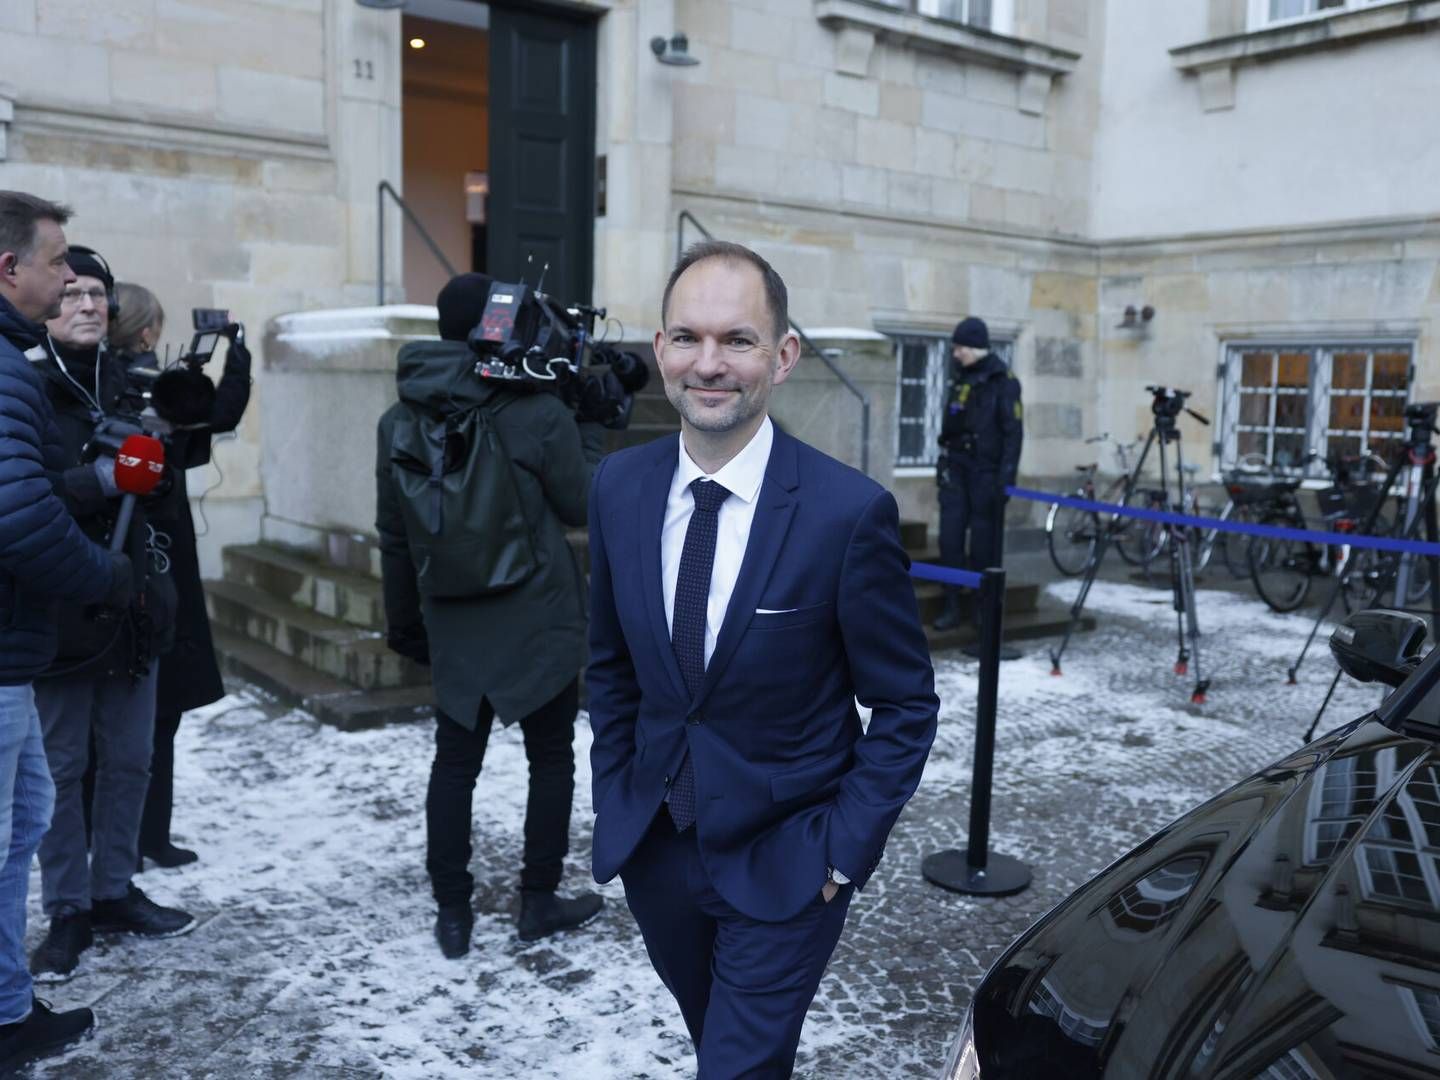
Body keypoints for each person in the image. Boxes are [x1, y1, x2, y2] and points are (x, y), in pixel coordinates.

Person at [586, 240, 939, 1075]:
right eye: (687, 338)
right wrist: (617, 797)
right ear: (660, 350)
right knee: (728, 1048)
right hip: (658, 851)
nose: (710, 364)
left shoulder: (846, 515)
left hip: (789, 863)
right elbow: (608, 665)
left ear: (783, 357)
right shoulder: (619, 487)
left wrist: (841, 854)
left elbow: (906, 707)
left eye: (737, 340)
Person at [375, 273, 606, 959]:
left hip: (452, 614)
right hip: (538, 613)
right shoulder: (536, 412)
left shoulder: (399, 417)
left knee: (454, 764)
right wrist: (588, 427)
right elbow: (586, 506)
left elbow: (393, 535)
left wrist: (404, 622)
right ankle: (537, 901)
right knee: (550, 758)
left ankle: (454, 912)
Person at [28, 245, 194, 984]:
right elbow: (22, 497)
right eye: (71, 295)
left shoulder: (130, 388)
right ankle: (68, 909)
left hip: (132, 603)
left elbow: (160, 496)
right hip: (59, 608)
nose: (88, 305)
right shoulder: (25, 389)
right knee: (63, 769)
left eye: (97, 293)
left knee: (130, 760)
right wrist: (99, 480)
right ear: (44, 306)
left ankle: (114, 889)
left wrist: (156, 470)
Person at [0, 191, 133, 1065]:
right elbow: (19, 511)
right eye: (58, 264)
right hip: (16, 648)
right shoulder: (12, 366)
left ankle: (10, 1012)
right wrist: (106, 575)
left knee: (25, 823)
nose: (70, 280)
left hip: (14, 646)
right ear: (9, 270)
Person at [108, 283, 252, 868]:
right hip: (156, 553)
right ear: (145, 332)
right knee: (157, 707)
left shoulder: (100, 381)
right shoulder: (145, 389)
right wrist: (234, 351)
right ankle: (146, 837)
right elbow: (222, 412)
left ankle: (128, 838)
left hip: (116, 556)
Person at [933, 316, 1023, 632]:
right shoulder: (961, 378)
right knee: (950, 539)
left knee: (984, 545)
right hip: (956, 471)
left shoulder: (1003, 380)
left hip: (986, 475)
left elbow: (1013, 433)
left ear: (974, 347)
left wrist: (1006, 478)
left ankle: (983, 609)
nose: (955, 353)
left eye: (959, 347)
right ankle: (951, 604)